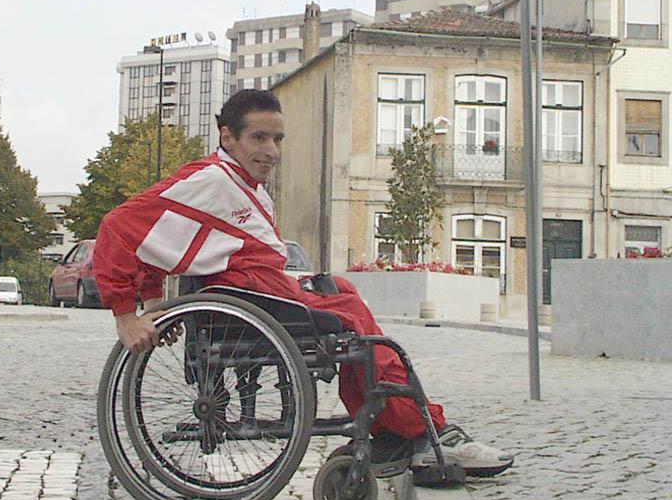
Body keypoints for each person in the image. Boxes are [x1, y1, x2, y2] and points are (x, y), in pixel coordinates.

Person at [93, 89, 513, 477]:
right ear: (228, 136)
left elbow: (164, 239)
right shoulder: (212, 179)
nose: (271, 151)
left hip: (260, 293)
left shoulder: (241, 183)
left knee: (343, 292)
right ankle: (419, 428)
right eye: (259, 138)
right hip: (253, 300)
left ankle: (392, 429)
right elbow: (120, 226)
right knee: (353, 320)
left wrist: (152, 299)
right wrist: (126, 314)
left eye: (277, 139)